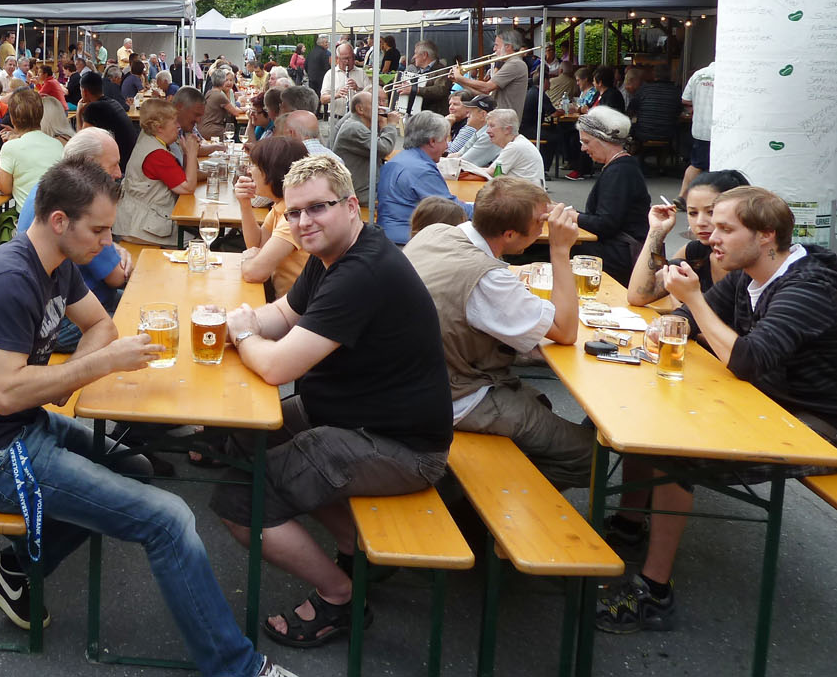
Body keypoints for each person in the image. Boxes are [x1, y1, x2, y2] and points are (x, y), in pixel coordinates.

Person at [0, 161, 295, 677]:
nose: (108, 242)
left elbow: (101, 325)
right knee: (169, 521)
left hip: (22, 427)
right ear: (60, 221)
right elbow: (7, 394)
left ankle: (13, 567)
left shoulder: (56, 262)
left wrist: (68, 377)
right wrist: (97, 366)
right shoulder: (8, 279)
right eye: (99, 229)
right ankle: (239, 668)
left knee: (137, 467)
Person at [212, 154, 452, 648]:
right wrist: (238, 325)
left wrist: (243, 335)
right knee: (245, 437)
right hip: (347, 416)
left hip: (400, 447)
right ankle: (353, 547)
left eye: (316, 208)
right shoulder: (334, 255)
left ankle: (340, 598)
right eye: (294, 212)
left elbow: (276, 368)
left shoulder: (362, 272)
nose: (303, 221)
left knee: (240, 501)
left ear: (350, 205)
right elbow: (284, 314)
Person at [597, 187, 837, 635]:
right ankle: (630, 523)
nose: (711, 236)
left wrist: (692, 300)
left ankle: (654, 593)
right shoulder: (750, 275)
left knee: (676, 452)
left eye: (726, 228)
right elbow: (692, 324)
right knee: (647, 416)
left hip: (814, 423)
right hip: (764, 399)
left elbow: (747, 358)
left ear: (766, 236)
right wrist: (671, 324)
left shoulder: (808, 288)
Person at [404, 176, 593, 487]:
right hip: (453, 399)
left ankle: (496, 487)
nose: (544, 228)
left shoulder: (435, 233)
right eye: (541, 223)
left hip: (412, 383)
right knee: (589, 457)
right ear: (509, 234)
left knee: (537, 402)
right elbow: (565, 330)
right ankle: (491, 501)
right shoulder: (487, 279)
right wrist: (560, 249)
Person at [15, 128, 133, 323]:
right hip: (65, 316)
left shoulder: (45, 189)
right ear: (89, 165)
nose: (119, 173)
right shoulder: (83, 204)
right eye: (113, 165)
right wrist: (120, 254)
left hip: (60, 306)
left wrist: (115, 247)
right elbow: (117, 277)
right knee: (147, 317)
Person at [626, 169, 750, 306]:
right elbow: (638, 295)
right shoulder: (695, 252)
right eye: (693, 213)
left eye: (711, 212)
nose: (700, 222)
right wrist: (656, 231)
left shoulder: (750, 264)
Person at [576, 106, 650, 282]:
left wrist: (571, 216)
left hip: (622, 254)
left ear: (604, 140)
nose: (583, 148)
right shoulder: (621, 167)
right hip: (621, 248)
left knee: (554, 249)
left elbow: (605, 224)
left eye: (586, 142)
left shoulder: (619, 172)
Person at [376, 112, 473, 244]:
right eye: (445, 140)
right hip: (409, 240)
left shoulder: (397, 160)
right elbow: (452, 210)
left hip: (390, 235)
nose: (446, 146)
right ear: (432, 141)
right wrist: (484, 210)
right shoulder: (422, 171)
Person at [115, 98, 198, 246]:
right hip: (141, 228)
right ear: (159, 128)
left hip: (137, 220)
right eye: (174, 122)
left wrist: (186, 154)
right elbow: (188, 188)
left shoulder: (148, 138)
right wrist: (192, 154)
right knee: (200, 242)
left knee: (196, 229)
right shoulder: (157, 154)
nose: (178, 126)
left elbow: (182, 178)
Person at [235, 136, 310, 298]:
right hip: (283, 301)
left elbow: (254, 273)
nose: (249, 171)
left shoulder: (295, 216)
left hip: (297, 309)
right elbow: (256, 244)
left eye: (255, 165)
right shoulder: (282, 205)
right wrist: (245, 204)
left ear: (272, 172)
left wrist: (246, 260)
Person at [0, 88, 64, 208]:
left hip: (29, 215)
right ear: (41, 115)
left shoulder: (10, 147)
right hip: (55, 212)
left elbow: (5, 188)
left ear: (12, 118)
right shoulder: (57, 144)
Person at [331, 90, 401, 195]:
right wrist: (391, 125)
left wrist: (382, 124)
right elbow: (384, 148)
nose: (379, 108)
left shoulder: (362, 125)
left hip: (361, 187)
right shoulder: (354, 128)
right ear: (360, 109)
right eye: (374, 104)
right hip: (358, 193)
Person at [451, 28, 528, 118]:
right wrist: (459, 81)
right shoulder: (509, 63)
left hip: (504, 120)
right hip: (499, 117)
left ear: (508, 46)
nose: (494, 49)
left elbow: (487, 87)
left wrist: (460, 77)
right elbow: (485, 96)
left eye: (496, 45)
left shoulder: (515, 64)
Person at [75, 69, 137, 169]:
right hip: (131, 158)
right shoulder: (113, 102)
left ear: (84, 91)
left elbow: (82, 141)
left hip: (119, 165)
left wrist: (78, 113)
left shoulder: (94, 108)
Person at [483, 107, 546, 186]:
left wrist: (468, 169)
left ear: (507, 129)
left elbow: (490, 173)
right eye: (488, 126)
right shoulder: (519, 142)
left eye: (492, 126)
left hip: (525, 193)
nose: (487, 131)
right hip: (524, 191)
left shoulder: (515, 146)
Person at [680, 62, 715, 198]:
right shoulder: (729, 74)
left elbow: (685, 99)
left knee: (697, 164)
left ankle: (683, 196)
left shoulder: (698, 74)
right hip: (720, 130)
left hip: (701, 128)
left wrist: (699, 104)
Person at [319, 43, 366, 145]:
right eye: (344, 59)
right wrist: (336, 95)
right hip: (336, 119)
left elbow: (370, 96)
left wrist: (357, 89)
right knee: (334, 147)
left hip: (358, 120)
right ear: (337, 59)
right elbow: (323, 99)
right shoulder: (330, 74)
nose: (347, 62)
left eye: (350, 58)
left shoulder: (362, 73)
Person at [394, 40, 450, 116]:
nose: (413, 57)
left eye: (415, 53)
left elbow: (440, 90)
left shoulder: (441, 70)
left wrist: (414, 90)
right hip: (420, 115)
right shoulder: (418, 71)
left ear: (424, 55)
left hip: (434, 116)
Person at [454, 97, 502, 169]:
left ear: (483, 115)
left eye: (469, 112)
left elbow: (464, 164)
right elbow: (458, 154)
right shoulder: (479, 131)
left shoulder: (489, 135)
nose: (467, 116)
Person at [201, 67, 245, 141]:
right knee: (238, 134)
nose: (228, 82)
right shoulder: (220, 95)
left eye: (231, 80)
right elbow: (235, 112)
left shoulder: (210, 92)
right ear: (222, 81)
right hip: (213, 130)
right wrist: (246, 110)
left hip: (204, 128)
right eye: (226, 80)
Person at [305, 34, 332, 102]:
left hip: (311, 78)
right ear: (321, 43)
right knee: (323, 96)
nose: (327, 44)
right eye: (326, 42)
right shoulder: (324, 53)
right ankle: (325, 109)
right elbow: (327, 66)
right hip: (321, 79)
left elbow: (305, 64)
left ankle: (315, 108)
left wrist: (309, 74)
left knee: (313, 97)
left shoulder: (311, 52)